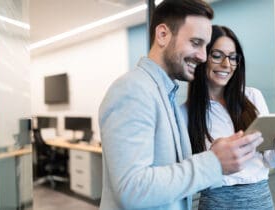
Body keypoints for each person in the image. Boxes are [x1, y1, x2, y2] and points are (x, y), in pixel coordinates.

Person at [98, 1, 263, 209]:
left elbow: (174, 180)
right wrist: (213, 162)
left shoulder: (166, 96)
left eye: (205, 46)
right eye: (196, 43)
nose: (203, 56)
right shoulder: (132, 90)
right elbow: (132, 189)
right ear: (163, 35)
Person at [182, 25, 275, 210]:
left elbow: (272, 161)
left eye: (232, 57)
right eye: (217, 55)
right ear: (203, 57)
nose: (226, 65)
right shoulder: (186, 113)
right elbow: (187, 175)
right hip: (217, 203)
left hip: (261, 200)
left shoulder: (252, 97)